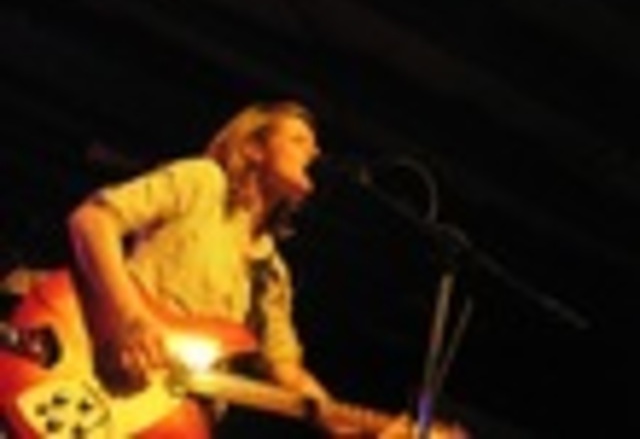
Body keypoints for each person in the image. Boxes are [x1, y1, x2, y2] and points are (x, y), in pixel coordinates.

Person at [65, 99, 469, 438]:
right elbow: (93, 219)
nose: (314, 153)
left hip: (168, 418)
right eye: (299, 140)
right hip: (90, 363)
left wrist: (372, 427)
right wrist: (131, 318)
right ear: (253, 148)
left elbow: (287, 374)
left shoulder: (272, 272)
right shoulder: (204, 182)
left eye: (314, 146)